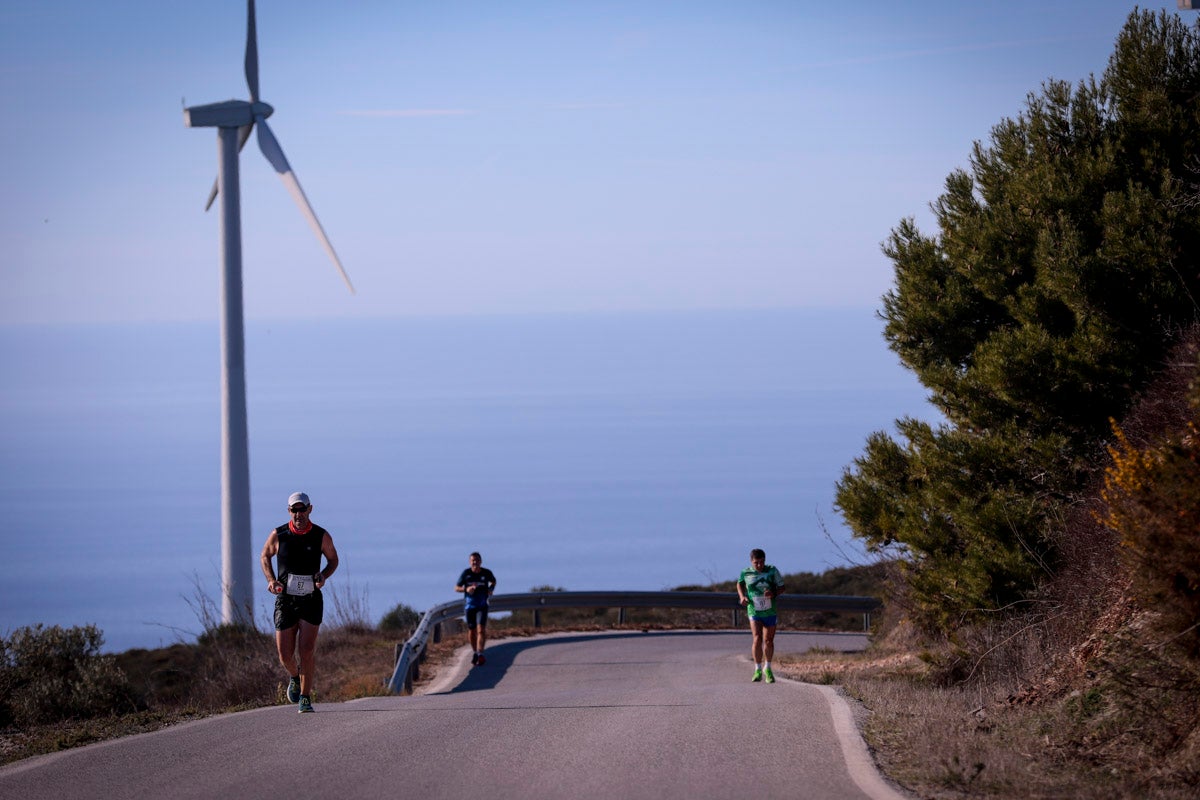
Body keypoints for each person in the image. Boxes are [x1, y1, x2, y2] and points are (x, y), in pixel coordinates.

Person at [260, 491, 339, 713]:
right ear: (289, 511)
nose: (298, 514)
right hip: (285, 600)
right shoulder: (279, 534)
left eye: (302, 509)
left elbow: (333, 559)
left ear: (310, 509)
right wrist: (271, 580)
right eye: (294, 510)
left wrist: (323, 575)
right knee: (285, 655)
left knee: (306, 650)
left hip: (311, 599)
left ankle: (305, 697)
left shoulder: (321, 535)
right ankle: (294, 676)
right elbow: (265, 555)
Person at [737, 548, 785, 683]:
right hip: (754, 610)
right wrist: (742, 597)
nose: (759, 565)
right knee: (757, 638)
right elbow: (739, 583)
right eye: (756, 562)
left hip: (770, 611)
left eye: (762, 562)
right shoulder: (745, 572)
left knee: (769, 641)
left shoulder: (772, 570)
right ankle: (757, 669)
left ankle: (768, 668)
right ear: (751, 561)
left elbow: (782, 587)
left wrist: (773, 593)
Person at [455, 552, 497, 666]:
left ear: (481, 561)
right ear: (470, 562)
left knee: (481, 630)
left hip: (482, 605)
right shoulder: (466, 573)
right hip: (470, 606)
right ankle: (475, 652)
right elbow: (456, 587)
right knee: (472, 631)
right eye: (473, 560)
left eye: (477, 560)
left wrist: (491, 588)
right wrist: (466, 589)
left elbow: (493, 581)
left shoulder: (486, 573)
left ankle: (480, 653)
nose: (475, 562)